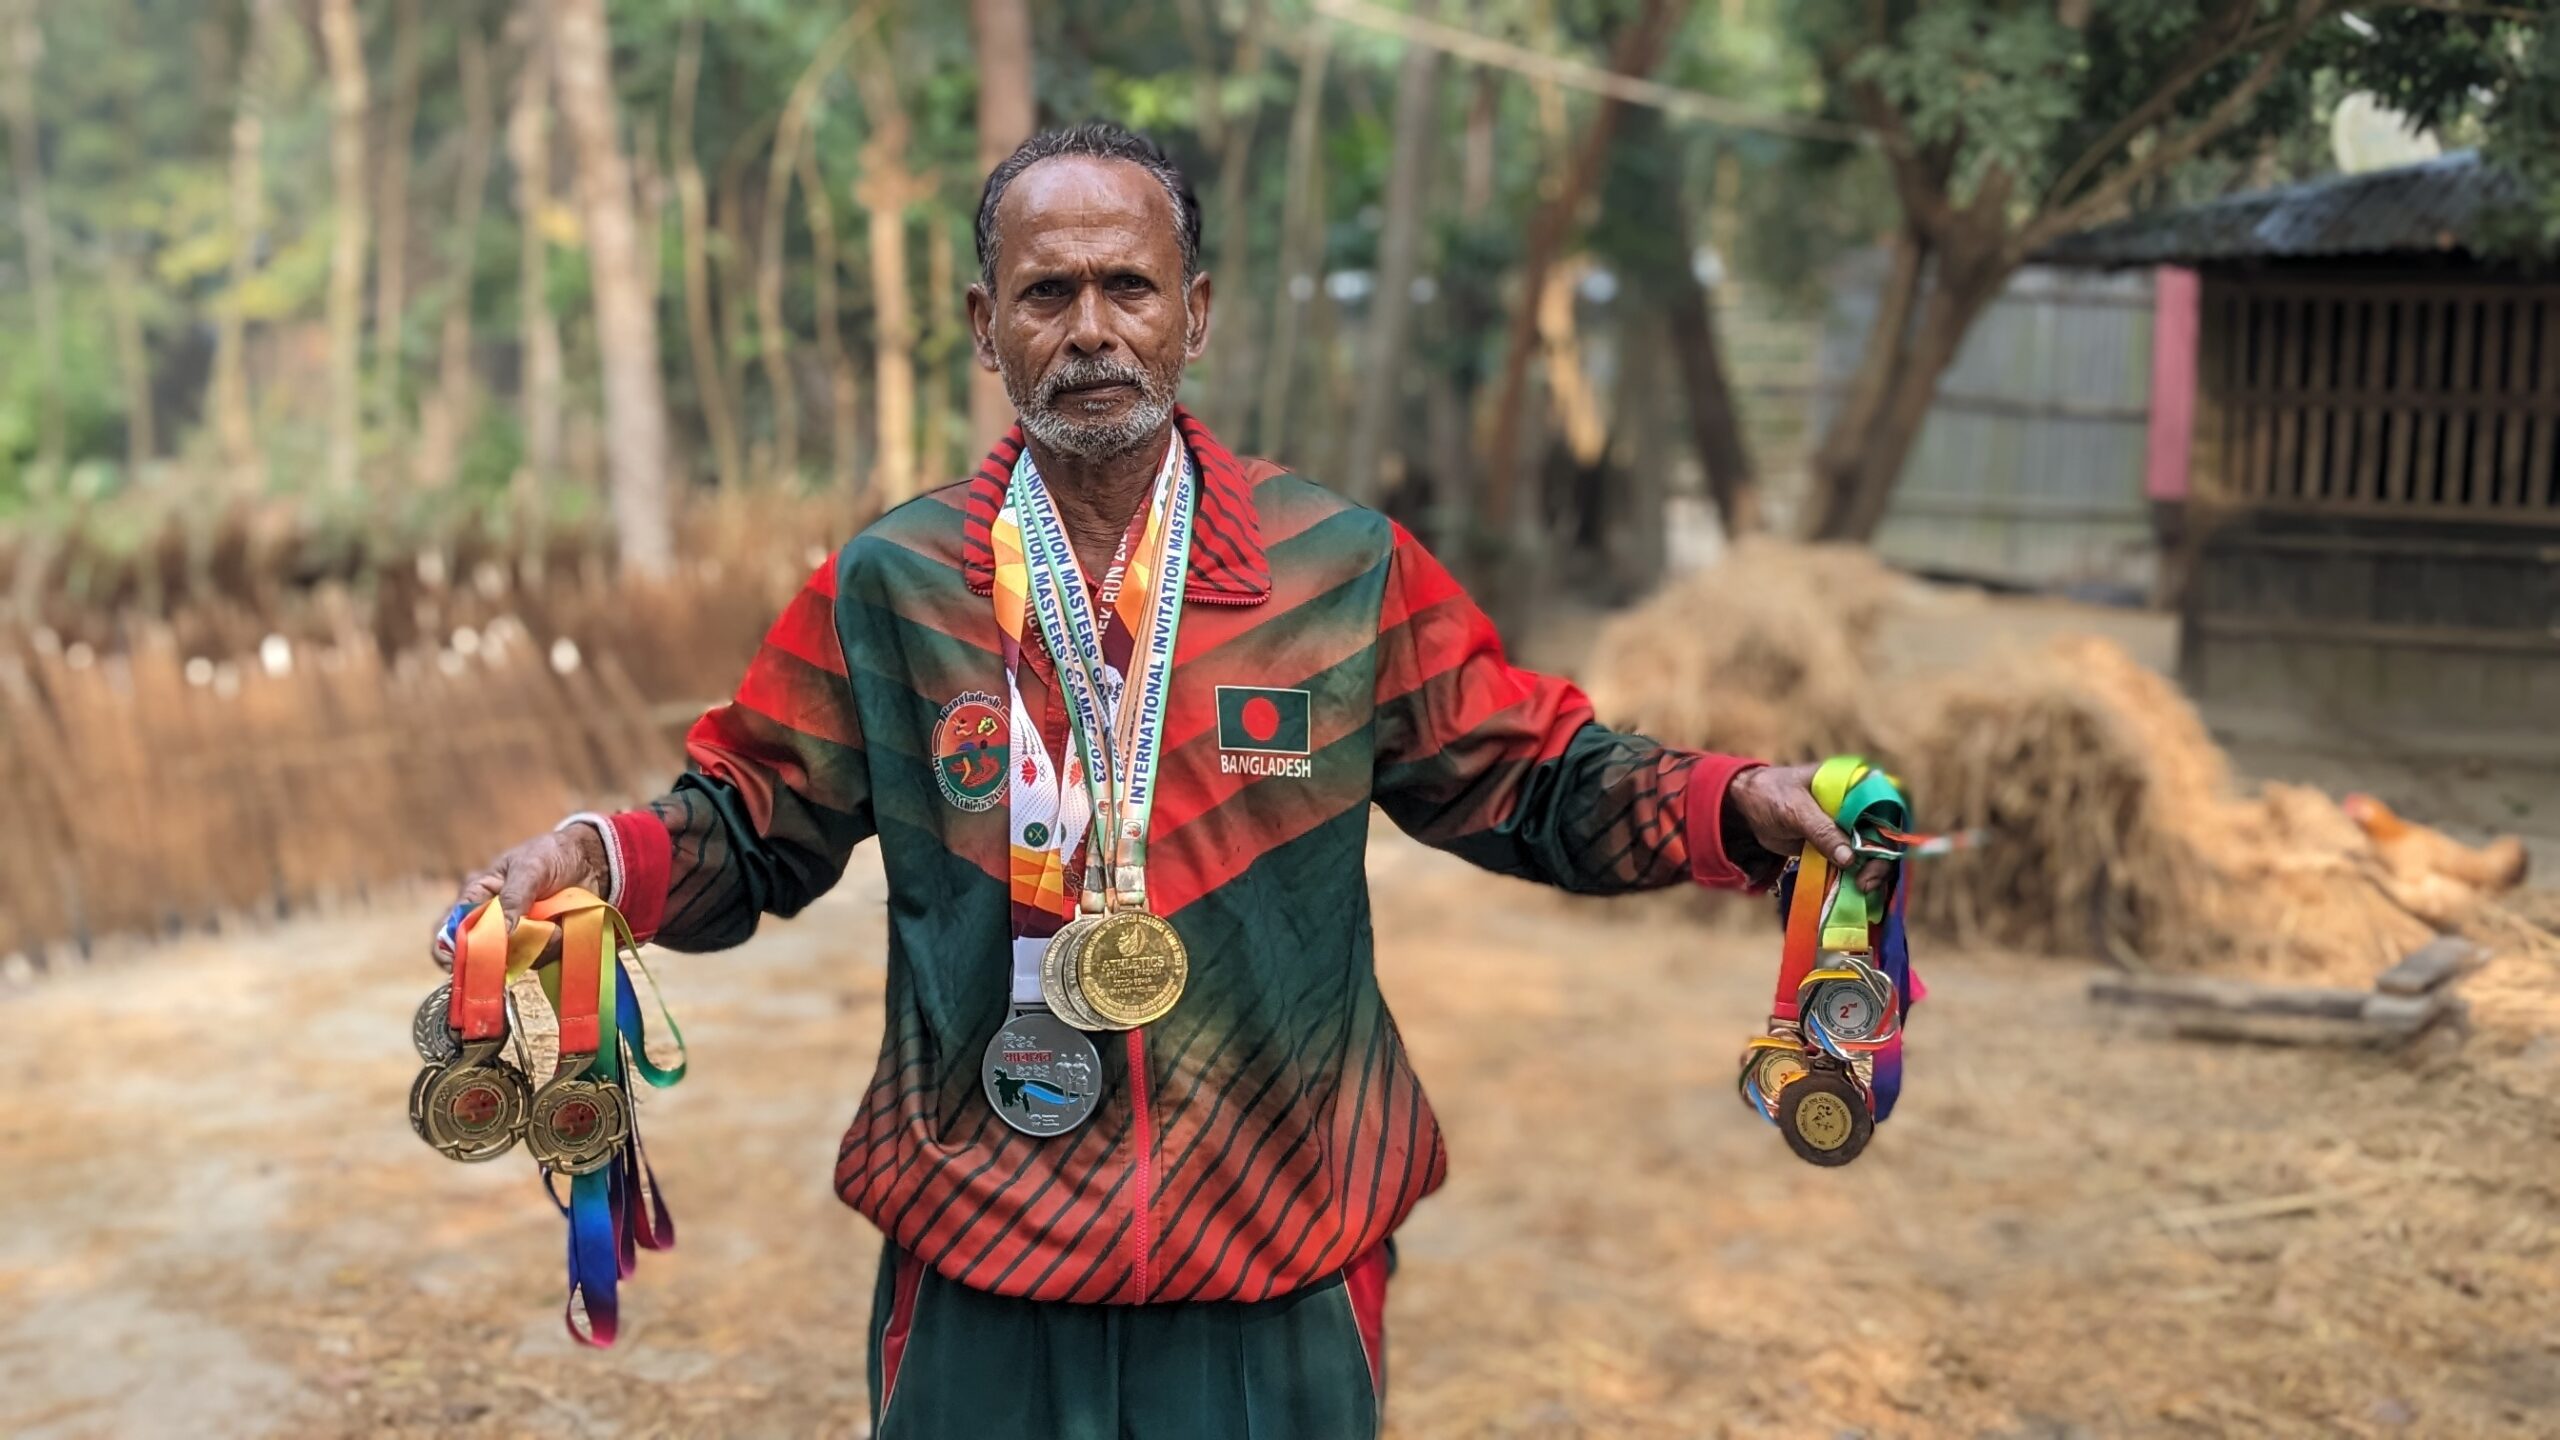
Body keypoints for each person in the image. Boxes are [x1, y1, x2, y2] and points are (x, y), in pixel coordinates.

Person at [444, 122, 1878, 1440]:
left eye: (1128, 287)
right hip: (985, 1255)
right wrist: (598, 857)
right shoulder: (892, 585)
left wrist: (1729, 802)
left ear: (1194, 312)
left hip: (1275, 1250)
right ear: (983, 327)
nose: (1088, 331)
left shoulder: (1337, 571)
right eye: (1045, 293)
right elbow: (751, 821)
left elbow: (1534, 774)